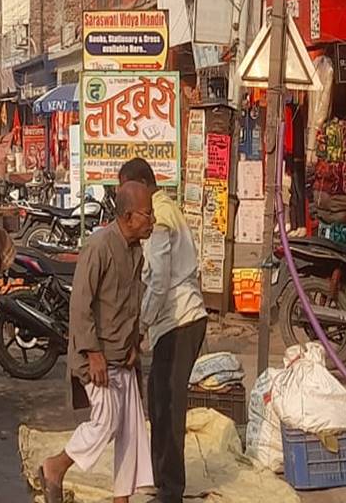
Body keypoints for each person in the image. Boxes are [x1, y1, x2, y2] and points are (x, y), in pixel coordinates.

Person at [39, 180, 155, 503]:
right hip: (96, 356)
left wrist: (135, 342)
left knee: (132, 430)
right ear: (129, 216)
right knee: (106, 423)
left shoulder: (136, 251)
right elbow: (80, 304)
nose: (153, 220)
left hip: (123, 355)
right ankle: (55, 466)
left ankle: (122, 499)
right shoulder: (99, 246)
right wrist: (92, 353)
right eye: (148, 214)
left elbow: (133, 302)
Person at [122, 158, 207, 503]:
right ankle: (161, 479)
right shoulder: (165, 208)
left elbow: (158, 281)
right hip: (175, 319)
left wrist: (141, 325)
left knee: (168, 407)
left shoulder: (157, 217)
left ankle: (171, 490)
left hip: (179, 318)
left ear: (142, 185)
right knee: (158, 400)